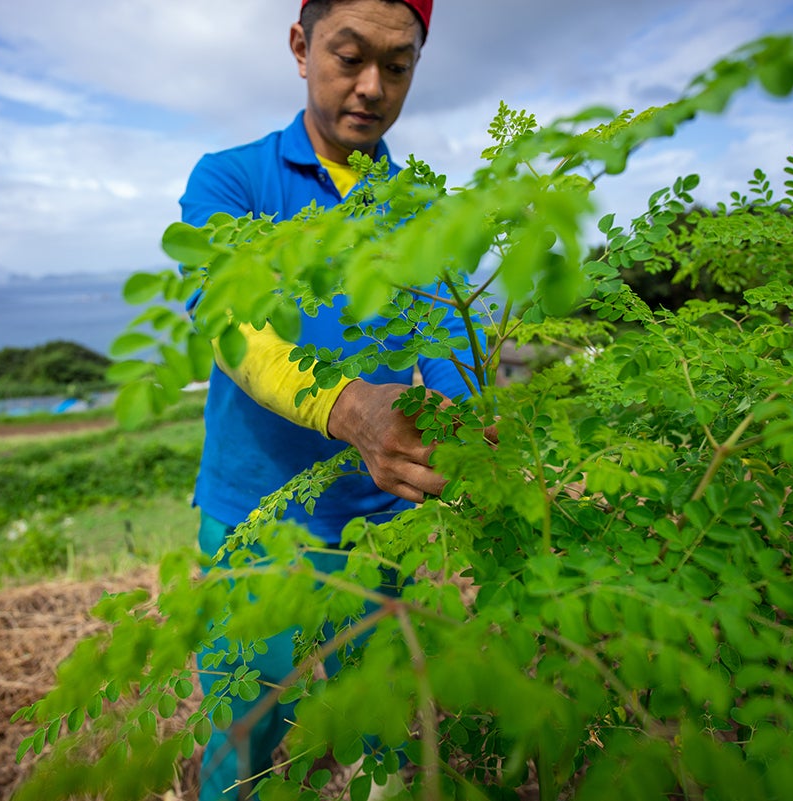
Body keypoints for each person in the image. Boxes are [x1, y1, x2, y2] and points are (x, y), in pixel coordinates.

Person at [178, 1, 473, 797]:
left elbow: (450, 349)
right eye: (349, 58)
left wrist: (468, 431)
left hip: (377, 532)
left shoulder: (421, 209)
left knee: (386, 743)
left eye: (398, 66)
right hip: (256, 528)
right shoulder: (232, 179)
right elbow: (234, 329)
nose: (372, 87)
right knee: (244, 745)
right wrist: (353, 411)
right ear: (302, 47)